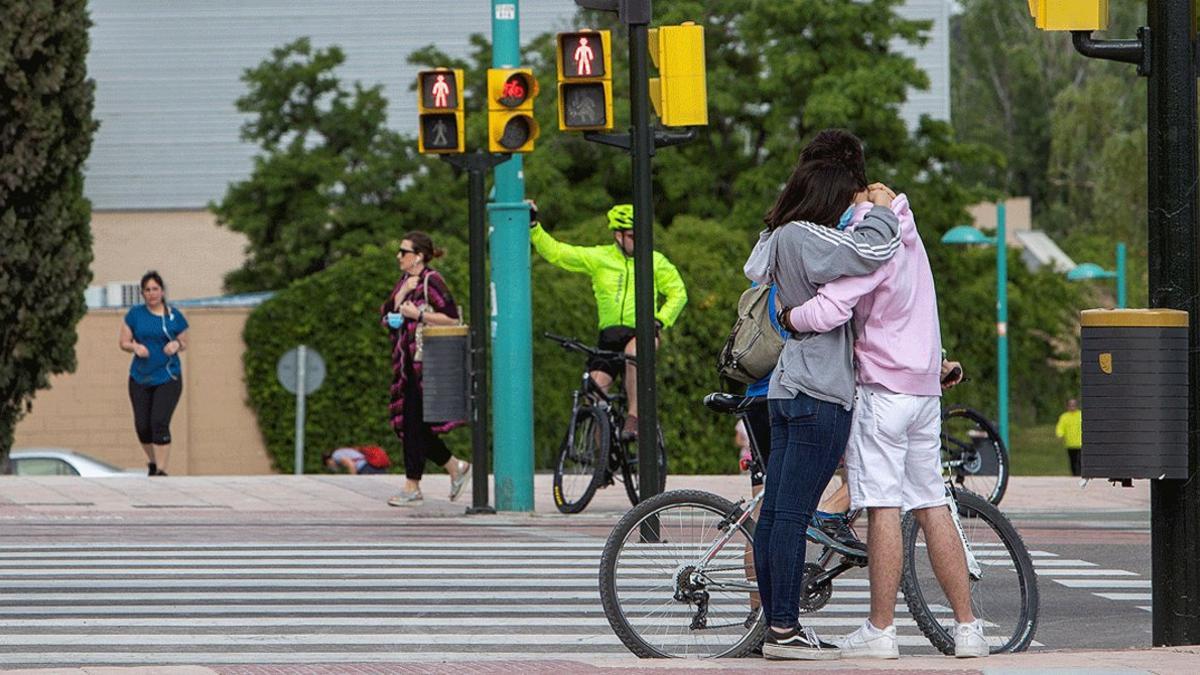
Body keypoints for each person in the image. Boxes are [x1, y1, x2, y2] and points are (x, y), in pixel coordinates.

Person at [783, 182, 988, 658]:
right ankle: (968, 628)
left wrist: (788, 316)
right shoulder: (914, 242)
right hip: (923, 391)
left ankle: (880, 629)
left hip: (882, 391)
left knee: (882, 507)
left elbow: (833, 306)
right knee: (932, 504)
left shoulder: (872, 239)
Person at [743, 129, 902, 660]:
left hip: (789, 387)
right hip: (819, 391)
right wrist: (881, 206)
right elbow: (874, 248)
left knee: (776, 515)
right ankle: (784, 630)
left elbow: (754, 267)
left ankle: (776, 625)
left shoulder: (778, 236)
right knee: (790, 516)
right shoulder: (809, 237)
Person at [529, 202, 687, 439]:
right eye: (633, 236)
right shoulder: (600, 257)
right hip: (611, 335)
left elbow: (678, 293)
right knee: (594, 392)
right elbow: (558, 253)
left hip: (642, 331)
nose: (639, 240)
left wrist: (660, 319)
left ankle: (634, 417)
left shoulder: (656, 261)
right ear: (618, 235)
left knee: (636, 353)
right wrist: (533, 227)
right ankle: (602, 463)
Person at [381, 232, 471, 506]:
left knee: (413, 426)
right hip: (407, 367)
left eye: (403, 251)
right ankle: (455, 466)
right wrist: (403, 296)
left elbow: (451, 317)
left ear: (418, 256)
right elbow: (386, 315)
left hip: (429, 365)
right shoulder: (404, 283)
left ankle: (413, 486)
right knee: (413, 427)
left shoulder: (433, 280)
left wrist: (418, 314)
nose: (399, 256)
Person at [118, 271, 188, 476]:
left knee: (159, 422)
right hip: (140, 377)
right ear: (142, 293)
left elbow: (184, 341)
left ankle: (161, 470)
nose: (151, 293)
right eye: (147, 290)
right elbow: (123, 342)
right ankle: (152, 461)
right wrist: (135, 348)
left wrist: (176, 344)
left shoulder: (174, 316)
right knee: (143, 426)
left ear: (162, 291)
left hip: (168, 376)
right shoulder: (135, 315)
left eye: (155, 289)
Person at [1056, 398, 1083, 476]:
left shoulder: (1081, 415)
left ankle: (1079, 474)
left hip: (1080, 443)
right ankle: (1074, 475)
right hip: (1070, 444)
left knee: (1079, 461)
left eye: (1074, 405)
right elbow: (1060, 427)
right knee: (1072, 461)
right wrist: (1060, 434)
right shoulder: (1064, 417)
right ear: (1067, 406)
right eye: (1070, 405)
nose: (1072, 407)